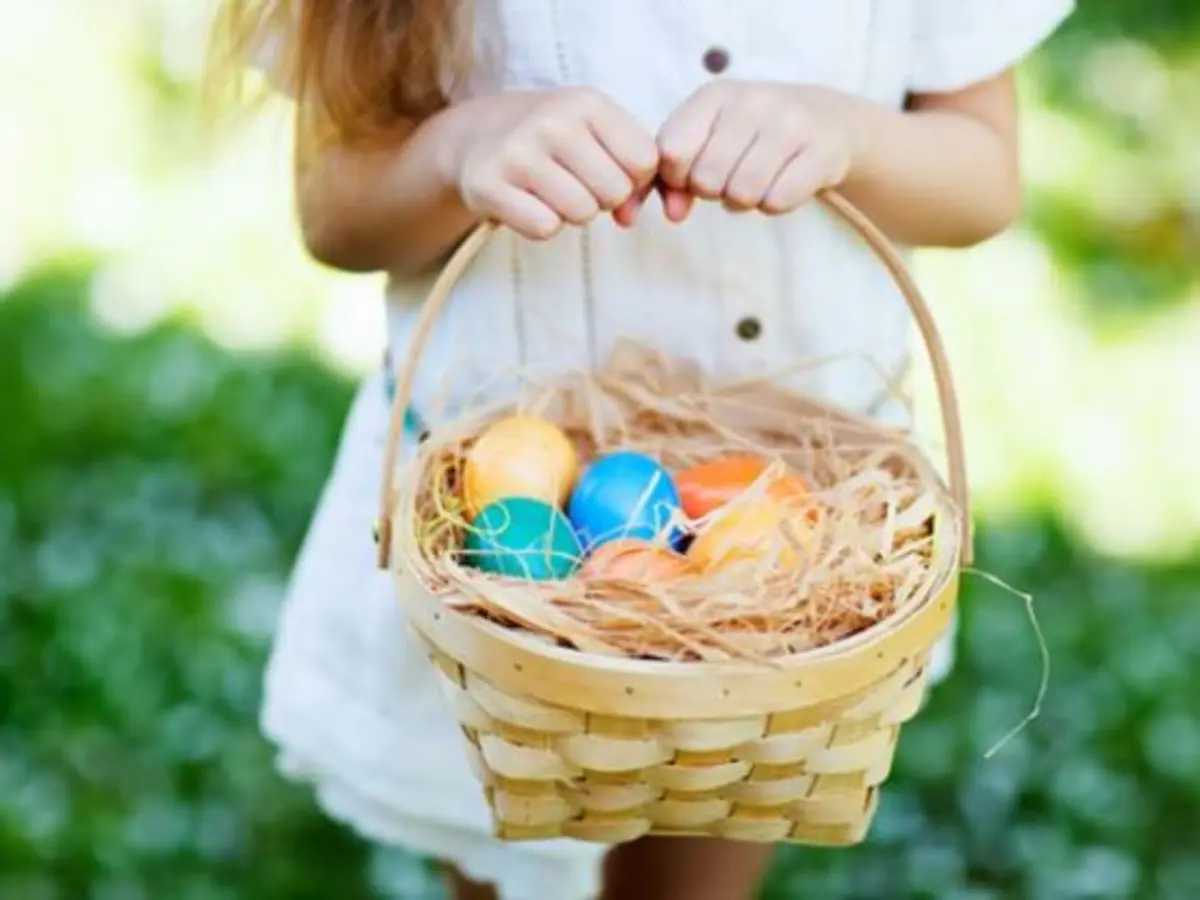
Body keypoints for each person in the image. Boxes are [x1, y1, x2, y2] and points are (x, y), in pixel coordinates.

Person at [208, 2, 1072, 898]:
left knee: (703, 861)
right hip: (495, 573)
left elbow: (984, 178)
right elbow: (334, 215)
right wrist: (454, 153)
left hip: (790, 556)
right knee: (509, 863)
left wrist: (848, 134)